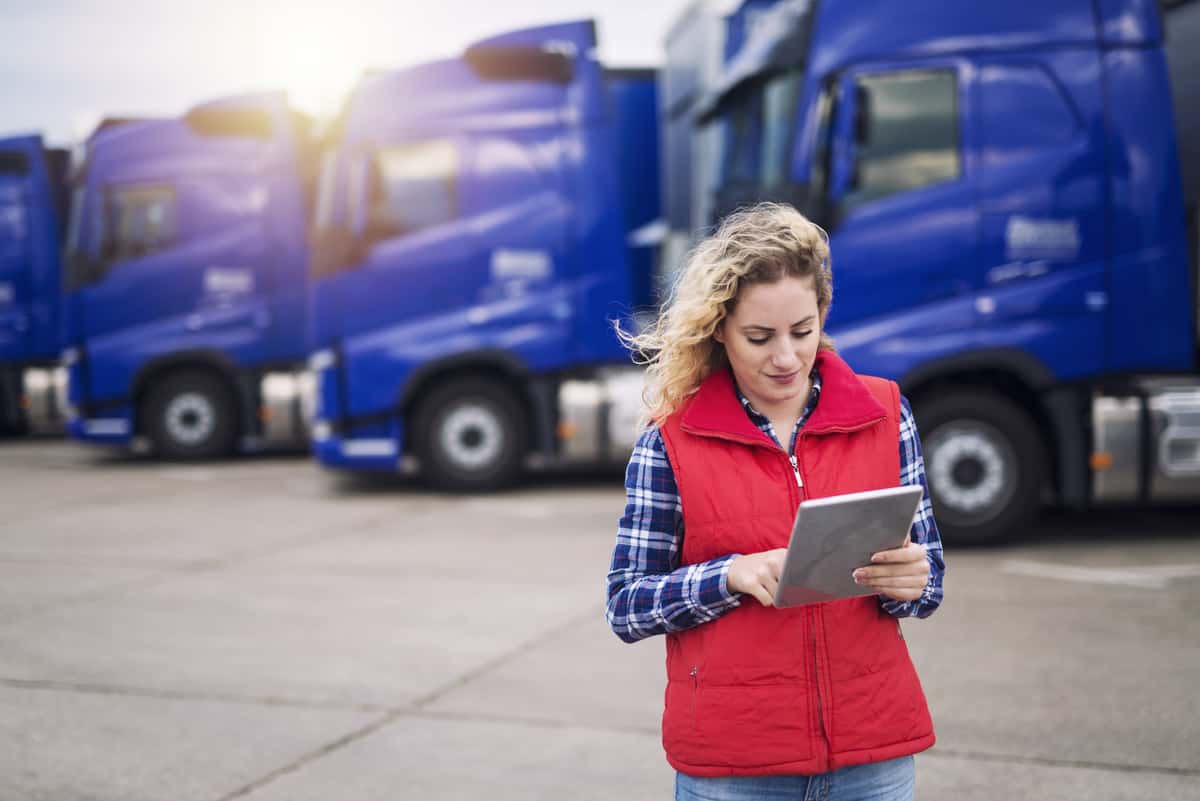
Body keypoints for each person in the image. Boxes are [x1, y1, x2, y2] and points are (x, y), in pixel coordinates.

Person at [606, 203, 945, 801]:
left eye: (803, 331)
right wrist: (728, 576)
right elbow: (627, 605)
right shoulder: (671, 441)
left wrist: (913, 581)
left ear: (823, 315)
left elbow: (929, 580)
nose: (785, 357)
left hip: (871, 755)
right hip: (734, 769)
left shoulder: (886, 414)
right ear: (718, 328)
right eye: (759, 337)